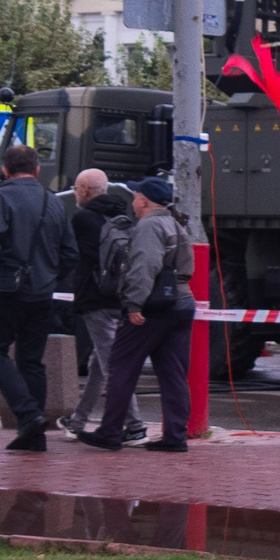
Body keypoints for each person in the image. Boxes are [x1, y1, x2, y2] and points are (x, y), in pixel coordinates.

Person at [78, 177, 197, 453]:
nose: (132, 202)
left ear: (144, 200)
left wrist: (134, 305)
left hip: (154, 307)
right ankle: (175, 436)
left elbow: (144, 266)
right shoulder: (175, 224)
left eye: (135, 197)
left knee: (121, 367)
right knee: (174, 374)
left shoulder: (149, 226)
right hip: (181, 303)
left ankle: (110, 433)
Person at [0, 141, 76, 453]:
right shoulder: (53, 201)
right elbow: (71, 253)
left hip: (7, 290)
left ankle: (29, 416)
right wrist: (49, 276)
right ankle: (35, 436)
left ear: (5, 170)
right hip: (43, 294)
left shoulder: (2, 197)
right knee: (32, 361)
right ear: (37, 170)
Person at [63, 169, 141, 443]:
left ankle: (135, 426)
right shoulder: (122, 216)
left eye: (75, 189)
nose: (74, 194)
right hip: (120, 297)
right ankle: (78, 420)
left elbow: (76, 256)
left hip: (95, 299)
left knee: (112, 365)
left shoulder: (83, 218)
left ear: (84, 189)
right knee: (100, 362)